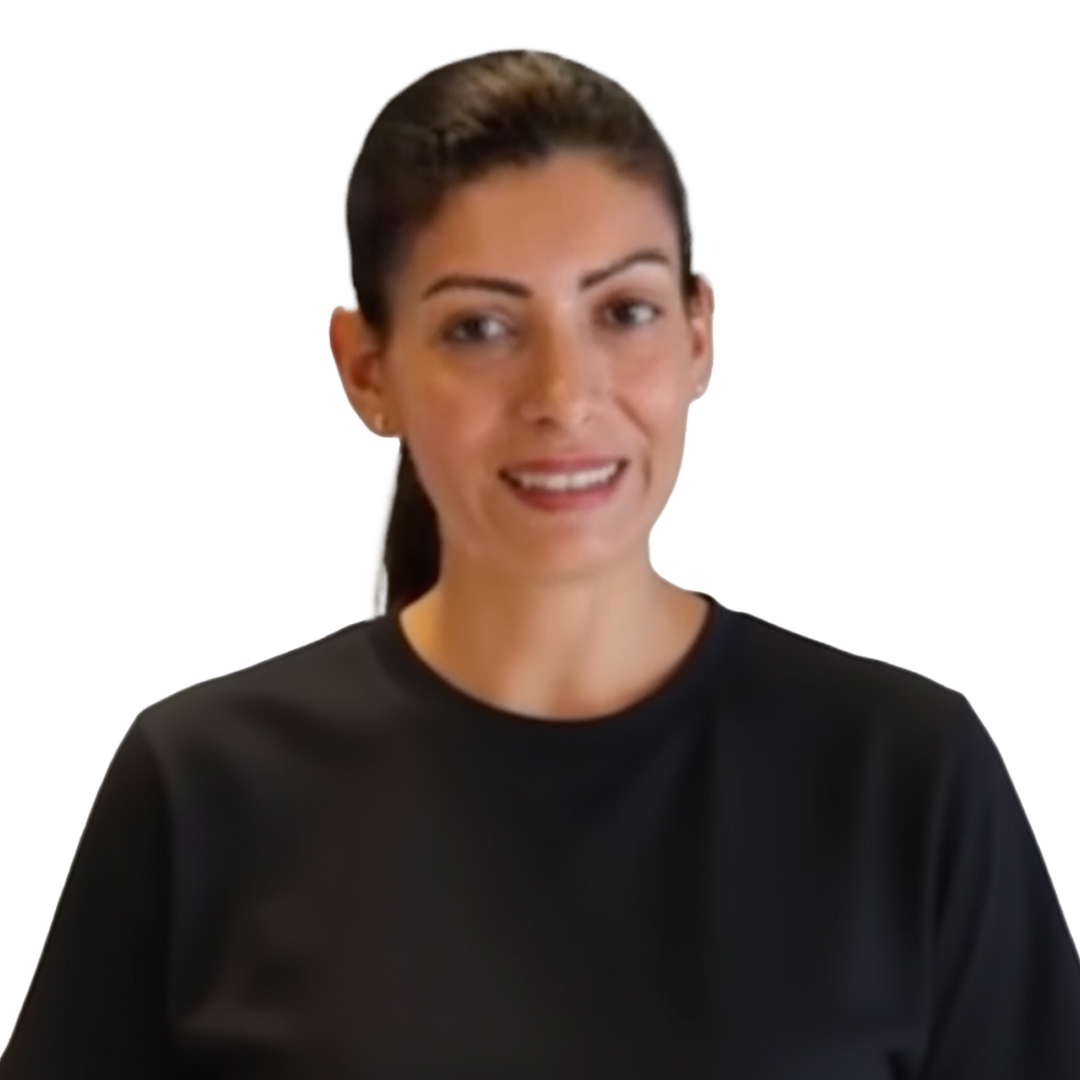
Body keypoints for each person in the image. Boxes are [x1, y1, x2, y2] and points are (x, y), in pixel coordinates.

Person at [2, 48, 1078, 1080]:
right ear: (367, 368)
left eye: (625, 312)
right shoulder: (206, 787)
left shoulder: (903, 777)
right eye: (480, 327)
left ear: (699, 334)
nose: (564, 395)